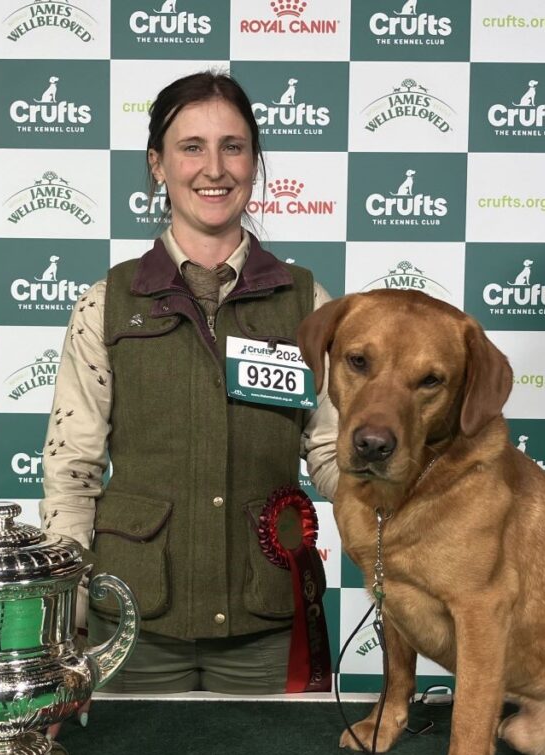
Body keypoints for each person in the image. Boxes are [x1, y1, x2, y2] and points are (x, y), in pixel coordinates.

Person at [39, 71, 339, 712]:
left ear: (255, 164)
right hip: (132, 623)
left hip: (268, 622)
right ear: (158, 164)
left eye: (233, 146)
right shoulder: (106, 304)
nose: (215, 168)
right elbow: (72, 472)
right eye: (191, 146)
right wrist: (67, 626)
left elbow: (336, 454)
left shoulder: (308, 304)